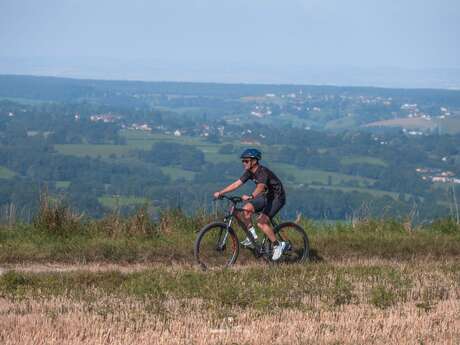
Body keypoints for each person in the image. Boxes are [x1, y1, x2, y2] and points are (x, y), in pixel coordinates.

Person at [213, 148, 287, 261]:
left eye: (246, 161)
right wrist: (221, 192)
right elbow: (236, 184)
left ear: (254, 161)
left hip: (277, 197)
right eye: (243, 161)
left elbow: (260, 187)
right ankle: (252, 237)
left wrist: (251, 196)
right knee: (246, 209)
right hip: (266, 197)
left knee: (261, 222)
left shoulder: (262, 172)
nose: (244, 163)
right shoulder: (249, 172)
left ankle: (278, 245)